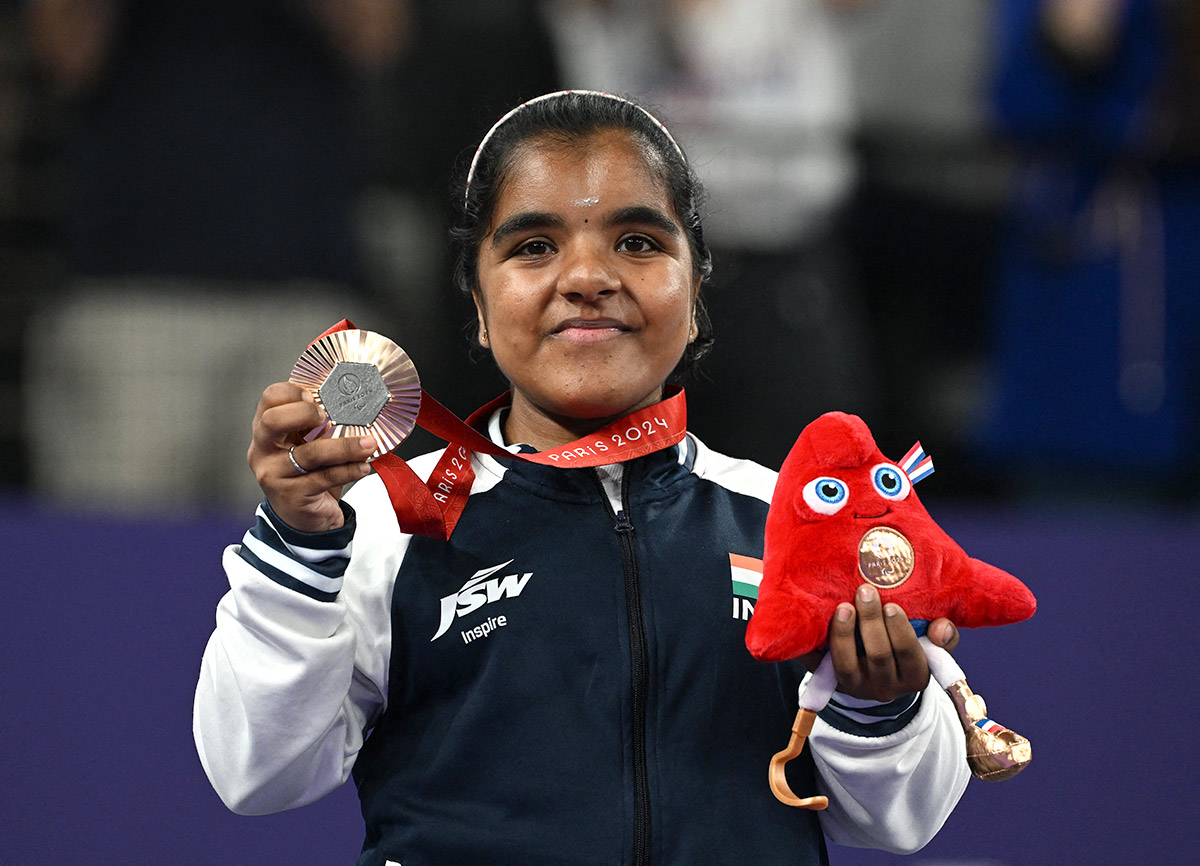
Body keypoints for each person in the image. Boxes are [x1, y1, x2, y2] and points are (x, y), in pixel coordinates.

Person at [193, 91, 970, 865]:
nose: (588, 276)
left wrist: (882, 705)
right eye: (534, 246)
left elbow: (906, 819)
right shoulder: (388, 522)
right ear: (479, 303)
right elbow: (255, 772)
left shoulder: (789, 519)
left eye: (637, 242)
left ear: (696, 292)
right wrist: (297, 551)